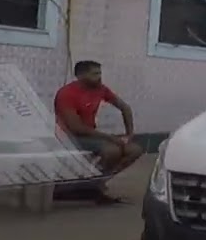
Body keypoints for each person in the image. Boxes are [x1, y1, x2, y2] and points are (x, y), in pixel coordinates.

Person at [54, 60, 144, 203]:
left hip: (91, 135)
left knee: (134, 150)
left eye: (100, 73)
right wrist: (110, 138)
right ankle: (85, 185)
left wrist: (129, 134)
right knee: (112, 151)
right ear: (80, 76)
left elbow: (125, 108)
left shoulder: (101, 89)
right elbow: (76, 128)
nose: (99, 77)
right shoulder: (67, 93)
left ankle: (96, 183)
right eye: (95, 74)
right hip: (68, 136)